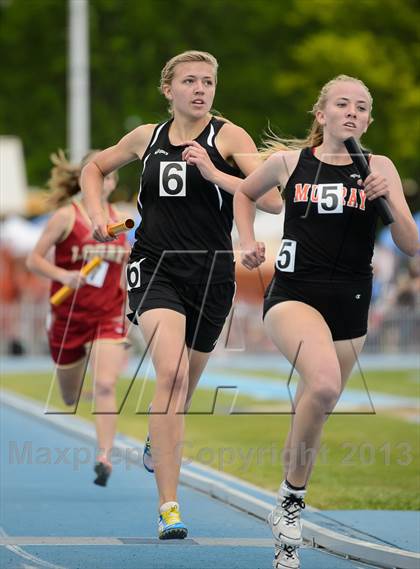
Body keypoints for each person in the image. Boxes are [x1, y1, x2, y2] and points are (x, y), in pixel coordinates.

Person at [80, 50, 282, 539]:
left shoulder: (228, 136)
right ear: (168, 89)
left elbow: (273, 198)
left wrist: (215, 173)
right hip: (155, 267)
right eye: (189, 81)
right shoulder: (145, 137)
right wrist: (95, 217)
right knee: (168, 373)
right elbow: (92, 167)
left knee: (184, 384)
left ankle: (158, 436)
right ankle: (169, 506)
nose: (200, 89)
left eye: (208, 82)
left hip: (213, 273)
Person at [234, 74, 418, 568]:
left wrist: (390, 201)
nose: (352, 112)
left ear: (369, 119)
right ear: (322, 114)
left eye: (361, 106)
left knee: (313, 409)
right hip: (293, 295)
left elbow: (410, 242)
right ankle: (293, 507)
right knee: (322, 385)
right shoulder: (290, 163)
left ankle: (286, 503)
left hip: (351, 302)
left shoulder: (380, 167)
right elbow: (243, 195)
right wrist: (248, 241)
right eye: (342, 104)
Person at [26, 150, 129, 487]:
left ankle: (104, 455)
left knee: (104, 384)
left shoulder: (121, 220)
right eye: (99, 175)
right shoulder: (65, 217)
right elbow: (34, 260)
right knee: (70, 396)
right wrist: (64, 275)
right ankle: (74, 378)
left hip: (108, 314)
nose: (105, 181)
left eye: (110, 176)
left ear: (113, 183)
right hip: (68, 316)